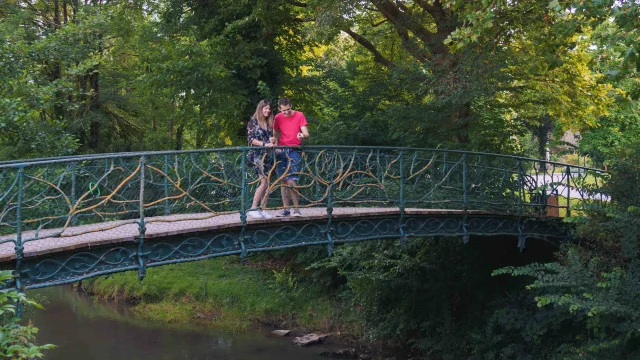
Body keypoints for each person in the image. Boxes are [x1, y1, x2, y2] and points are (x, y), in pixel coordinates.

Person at [273, 97, 310, 217]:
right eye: (283, 110)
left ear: (291, 105)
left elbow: (306, 133)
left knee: (292, 180)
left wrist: (302, 135)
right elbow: (275, 133)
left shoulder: (299, 115)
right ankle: (286, 209)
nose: (286, 112)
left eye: (288, 109)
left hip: (294, 150)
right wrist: (276, 146)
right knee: (283, 181)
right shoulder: (278, 117)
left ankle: (297, 209)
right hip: (281, 151)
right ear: (279, 109)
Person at [246, 100, 276, 219]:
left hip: (268, 156)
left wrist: (272, 141)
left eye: (269, 109)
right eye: (265, 108)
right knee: (263, 182)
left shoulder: (268, 123)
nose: (267, 111)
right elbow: (251, 139)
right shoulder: (253, 121)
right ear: (260, 108)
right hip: (257, 156)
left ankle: (263, 209)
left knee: (268, 183)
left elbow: (270, 139)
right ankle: (253, 208)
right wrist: (264, 144)